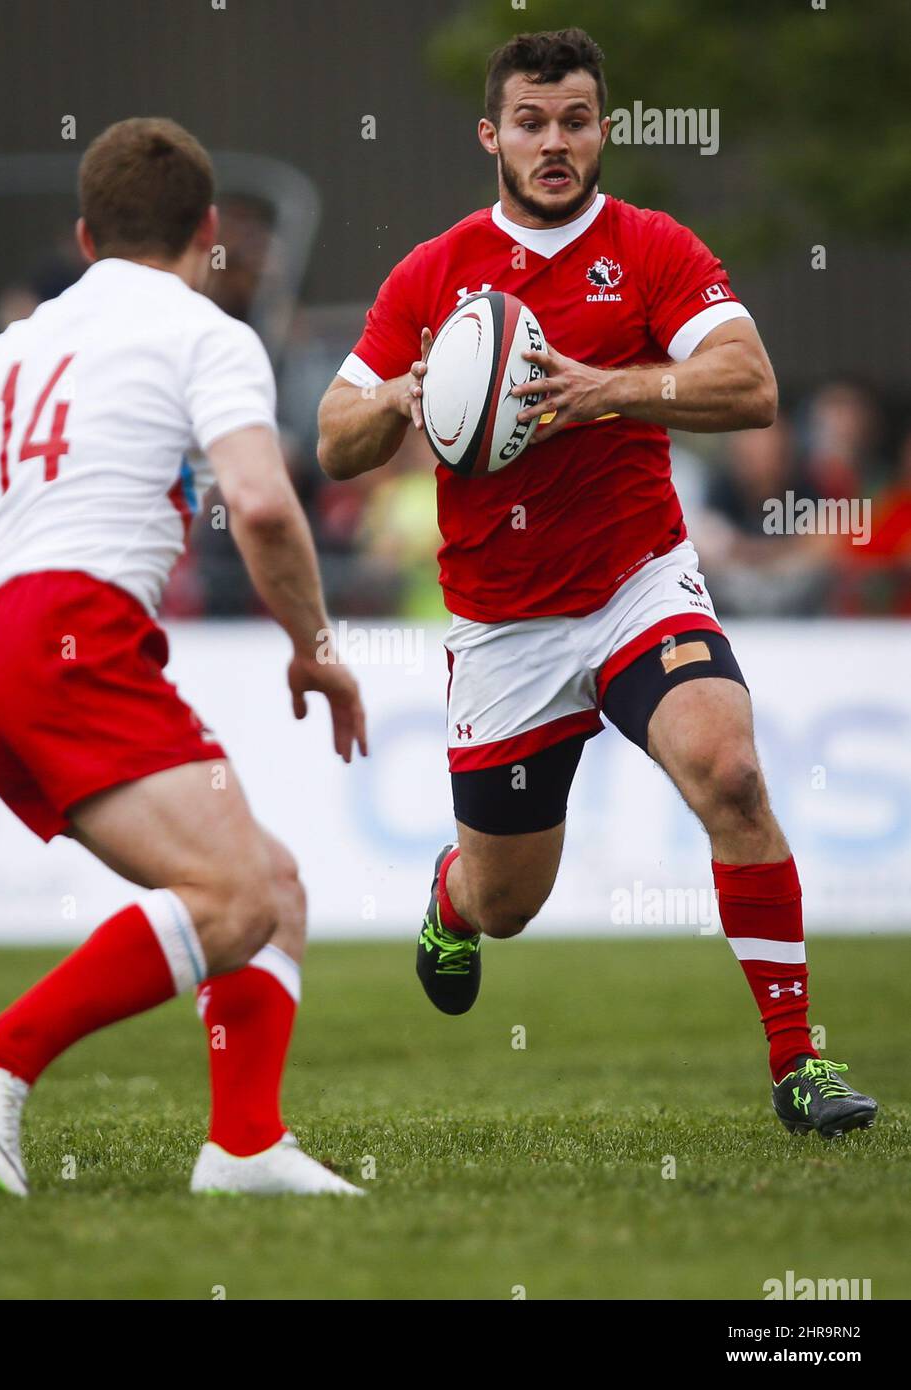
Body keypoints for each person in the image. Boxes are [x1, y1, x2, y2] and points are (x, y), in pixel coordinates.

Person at [317, 29, 876, 1139]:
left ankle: (796, 1061)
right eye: (529, 121)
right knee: (507, 902)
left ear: (603, 129)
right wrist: (399, 398)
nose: (553, 142)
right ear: (491, 135)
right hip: (503, 626)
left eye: (573, 119)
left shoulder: (652, 247)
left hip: (637, 585)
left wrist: (604, 389)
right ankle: (450, 898)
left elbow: (749, 384)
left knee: (726, 770)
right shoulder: (429, 275)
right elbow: (332, 438)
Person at [0, 117, 367, 1197]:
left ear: (86, 236)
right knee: (230, 899)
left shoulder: (8, 350)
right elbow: (264, 507)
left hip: (2, 652)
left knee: (270, 886)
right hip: (76, 643)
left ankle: (242, 1146)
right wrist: (317, 648)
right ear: (209, 232)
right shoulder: (205, 332)